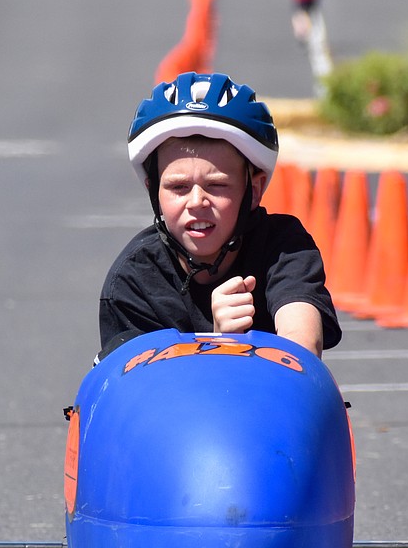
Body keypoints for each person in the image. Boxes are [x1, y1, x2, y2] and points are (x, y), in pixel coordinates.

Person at [98, 71, 340, 360]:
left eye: (217, 185)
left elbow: (302, 347)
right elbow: (138, 392)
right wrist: (217, 345)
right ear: (154, 192)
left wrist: (244, 346)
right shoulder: (133, 279)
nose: (197, 202)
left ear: (255, 188)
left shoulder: (284, 247)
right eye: (179, 187)